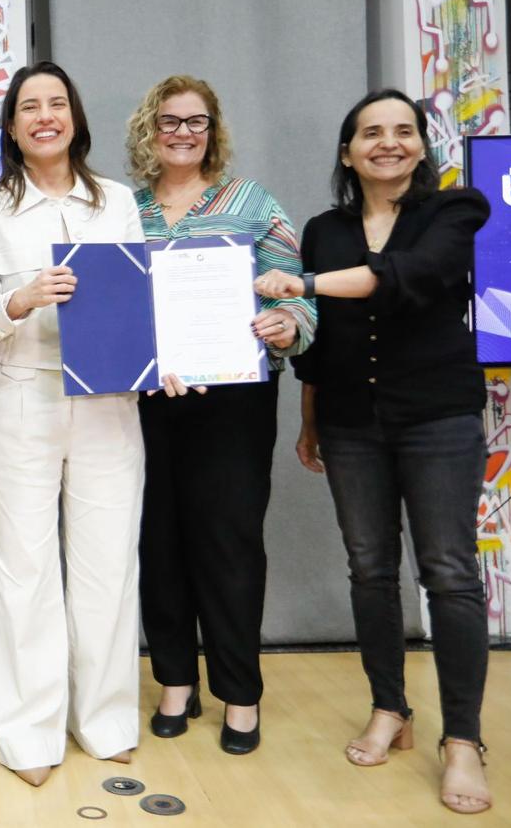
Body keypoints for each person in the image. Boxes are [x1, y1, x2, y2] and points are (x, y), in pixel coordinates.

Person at [255, 88, 492, 814]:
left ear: (421, 145)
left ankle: (463, 740)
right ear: (347, 151)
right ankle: (390, 708)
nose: (387, 143)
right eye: (370, 133)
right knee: (369, 569)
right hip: (350, 422)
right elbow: (319, 340)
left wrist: (302, 282)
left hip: (438, 418)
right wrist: (309, 420)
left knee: (449, 573)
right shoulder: (324, 229)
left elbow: (406, 278)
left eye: (402, 131)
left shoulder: (455, 211)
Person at [0, 61, 144, 787]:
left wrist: (160, 354)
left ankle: (104, 720)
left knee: (108, 566)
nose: (45, 117)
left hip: (108, 404)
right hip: (22, 396)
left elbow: (141, 301)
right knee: (23, 570)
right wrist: (20, 301)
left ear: (75, 117)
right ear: (11, 127)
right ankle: (29, 734)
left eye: (57, 103)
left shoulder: (117, 202)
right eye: (30, 107)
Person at [123, 75, 315, 755]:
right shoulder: (125, 210)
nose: (183, 133)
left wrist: (288, 325)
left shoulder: (254, 203)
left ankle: (239, 691)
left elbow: (298, 299)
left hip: (234, 402)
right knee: (158, 542)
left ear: (214, 130)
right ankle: (176, 680)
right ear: (149, 130)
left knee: (229, 544)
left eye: (196, 121)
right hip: (148, 400)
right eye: (169, 121)